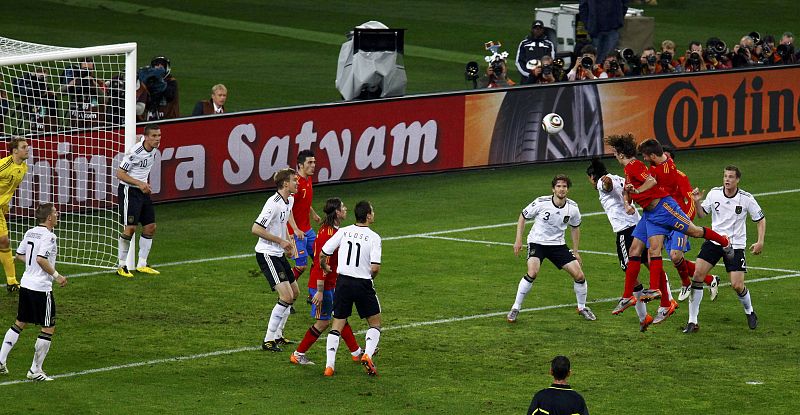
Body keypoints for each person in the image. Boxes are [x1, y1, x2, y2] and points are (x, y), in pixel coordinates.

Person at [604, 134, 733, 326]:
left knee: (694, 232)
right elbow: (628, 189)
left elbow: (652, 182)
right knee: (637, 251)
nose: (645, 159)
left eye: (615, 152)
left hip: (665, 210)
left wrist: (638, 192)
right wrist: (627, 201)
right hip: (650, 214)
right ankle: (635, 297)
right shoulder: (632, 168)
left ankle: (724, 241)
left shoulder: (638, 166)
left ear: (620, 153)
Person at [684, 166, 765, 333]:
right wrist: (697, 200)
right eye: (725, 176)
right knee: (698, 275)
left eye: (731, 177)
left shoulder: (746, 198)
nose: (727, 180)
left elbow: (760, 219)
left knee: (737, 285)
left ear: (737, 180)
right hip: (714, 241)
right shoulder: (714, 193)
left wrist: (760, 242)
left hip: (735, 245)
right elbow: (701, 215)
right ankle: (692, 321)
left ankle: (749, 311)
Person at [507, 174, 596, 323]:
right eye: (559, 186)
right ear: (553, 189)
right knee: (532, 272)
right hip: (537, 242)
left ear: (568, 189)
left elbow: (575, 228)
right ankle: (515, 308)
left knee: (579, 276)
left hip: (558, 245)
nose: (561, 189)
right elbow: (523, 216)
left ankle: (582, 307)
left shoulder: (573, 208)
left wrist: (575, 251)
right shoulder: (541, 202)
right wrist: (518, 240)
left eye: (564, 186)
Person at [290, 198, 363, 365]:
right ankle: (298, 354)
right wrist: (320, 291)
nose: (346, 209)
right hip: (322, 284)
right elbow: (323, 262)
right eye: (343, 207)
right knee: (323, 322)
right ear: (337, 212)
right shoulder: (328, 233)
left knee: (340, 317)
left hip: (332, 283)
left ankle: (356, 352)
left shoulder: (332, 230)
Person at [0, 203, 67, 382]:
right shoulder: (50, 237)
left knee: (20, 322)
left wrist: (33, 264)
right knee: (48, 327)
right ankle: (35, 370)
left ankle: (1, 361)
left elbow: (20, 255)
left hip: (26, 284)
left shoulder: (30, 232)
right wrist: (57, 275)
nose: (57, 214)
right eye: (55, 212)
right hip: (41, 288)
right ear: (49, 218)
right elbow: (40, 259)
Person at [586, 159, 654, 331]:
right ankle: (650, 311)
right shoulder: (619, 178)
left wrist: (604, 180)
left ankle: (630, 297)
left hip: (626, 230)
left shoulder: (604, 181)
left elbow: (606, 185)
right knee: (650, 261)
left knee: (628, 267)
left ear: (593, 177)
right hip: (639, 225)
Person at [321, 200, 382, 377]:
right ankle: (368, 355)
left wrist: (325, 266)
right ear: (368, 216)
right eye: (372, 211)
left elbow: (324, 252)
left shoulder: (344, 231)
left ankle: (329, 366)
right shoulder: (374, 237)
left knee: (338, 323)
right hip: (362, 283)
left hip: (343, 283)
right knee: (375, 323)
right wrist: (370, 278)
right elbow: (375, 267)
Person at [253, 168, 304, 351]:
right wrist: (281, 241)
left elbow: (287, 214)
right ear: (285, 184)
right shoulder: (272, 204)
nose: (297, 183)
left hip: (279, 253)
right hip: (267, 253)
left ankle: (279, 335)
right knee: (286, 296)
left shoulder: (288, 199)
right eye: (294, 180)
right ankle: (268, 340)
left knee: (295, 293)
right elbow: (256, 229)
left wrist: (291, 240)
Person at [659, 146, 719, 302]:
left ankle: (686, 283)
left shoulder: (680, 177)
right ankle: (710, 279)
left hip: (679, 221)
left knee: (675, 255)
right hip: (663, 222)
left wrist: (685, 221)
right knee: (677, 260)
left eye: (667, 158)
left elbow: (691, 199)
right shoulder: (655, 176)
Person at [116, 124, 162, 278]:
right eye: (154, 136)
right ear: (147, 137)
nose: (158, 139)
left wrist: (143, 185)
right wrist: (140, 183)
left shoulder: (153, 146)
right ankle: (121, 265)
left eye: (159, 135)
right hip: (129, 190)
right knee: (130, 228)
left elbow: (139, 138)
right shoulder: (135, 153)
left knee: (150, 227)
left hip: (143, 190)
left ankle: (142, 263)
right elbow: (120, 174)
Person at [0, 137, 29, 292]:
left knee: (4, 241)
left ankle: (11, 282)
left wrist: (4, 205)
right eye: (24, 147)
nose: (27, 149)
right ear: (15, 151)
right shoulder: (3, 165)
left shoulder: (23, 168)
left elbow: (8, 189)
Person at [290, 150, 321, 282]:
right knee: (301, 266)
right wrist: (295, 229)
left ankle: (313, 290)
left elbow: (304, 200)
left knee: (320, 260)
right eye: (310, 162)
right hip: (295, 232)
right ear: (301, 165)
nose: (313, 165)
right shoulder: (295, 183)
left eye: (314, 162)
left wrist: (313, 213)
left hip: (307, 230)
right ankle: (286, 286)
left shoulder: (308, 179)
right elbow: (287, 208)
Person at [515, 20, 556, 84]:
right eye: (535, 28)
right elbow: (519, 62)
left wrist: (543, 73)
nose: (538, 30)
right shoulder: (524, 43)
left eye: (540, 28)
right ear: (532, 30)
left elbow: (550, 60)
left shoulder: (549, 44)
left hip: (543, 78)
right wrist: (529, 74)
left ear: (543, 30)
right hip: (527, 78)